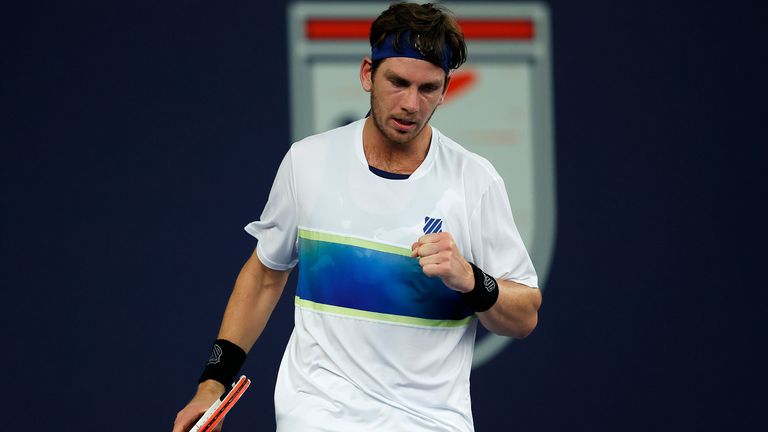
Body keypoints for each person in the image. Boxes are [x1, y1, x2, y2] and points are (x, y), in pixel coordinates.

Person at [172, 3, 542, 431]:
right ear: (368, 74)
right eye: (398, 83)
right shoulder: (306, 162)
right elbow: (264, 276)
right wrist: (212, 384)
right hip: (316, 414)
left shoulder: (475, 181)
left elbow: (524, 316)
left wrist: (471, 280)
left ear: (445, 90)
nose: (410, 104)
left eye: (427, 89)